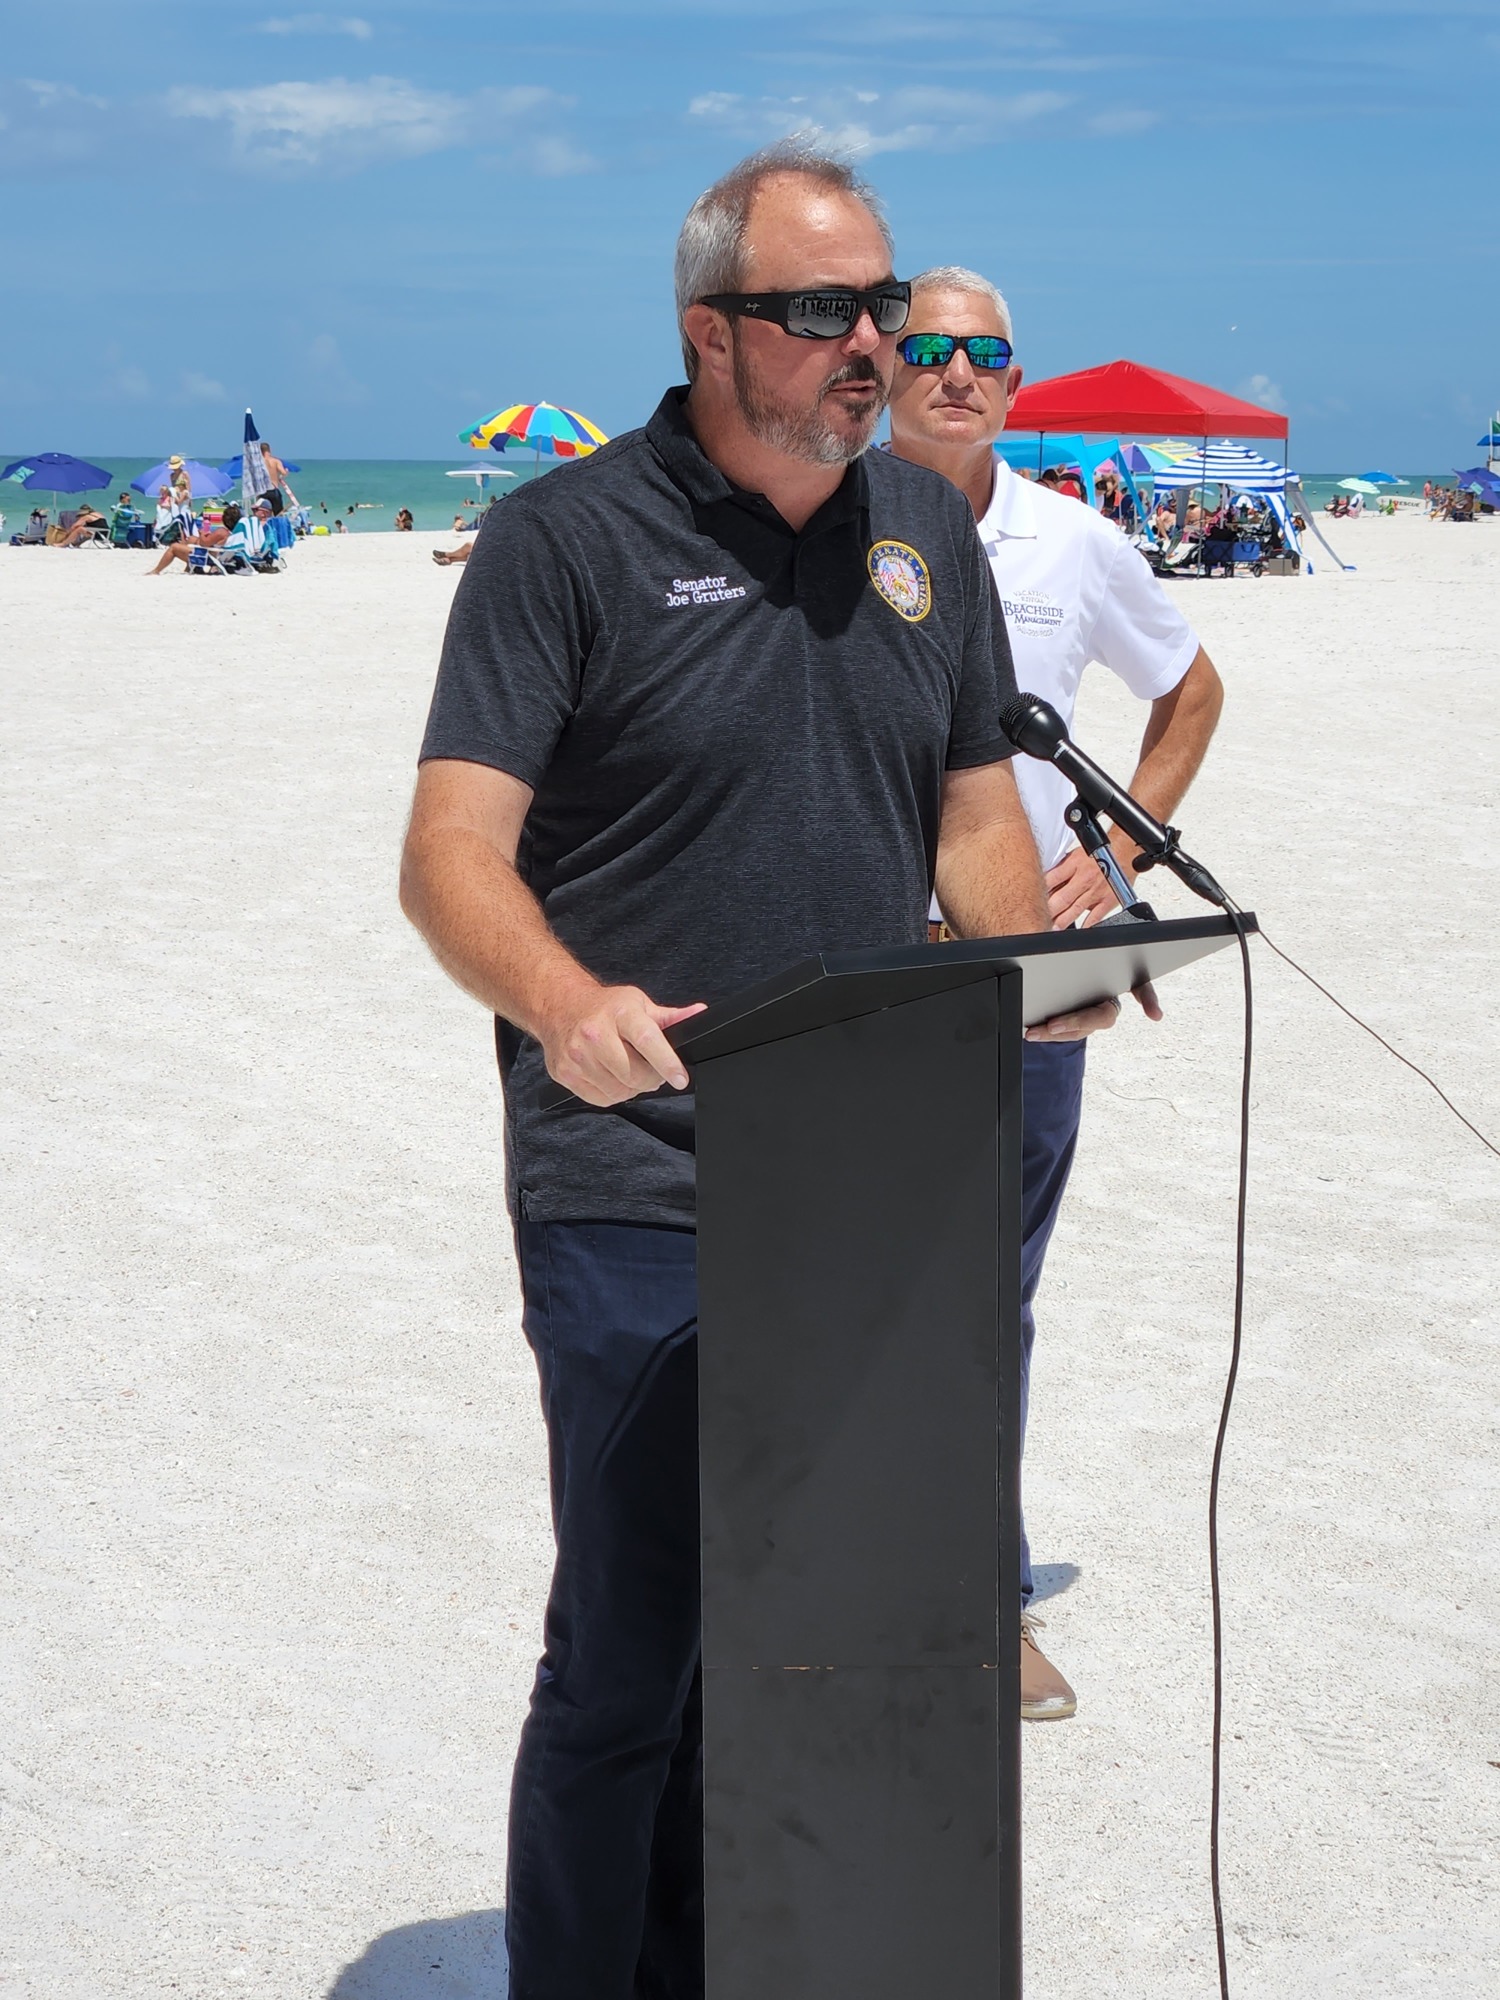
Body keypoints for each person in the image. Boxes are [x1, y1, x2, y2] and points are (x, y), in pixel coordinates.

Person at [400, 142, 1126, 2000]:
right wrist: (564, 1003)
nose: (873, 342)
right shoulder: (566, 543)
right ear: (711, 332)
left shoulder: (924, 536)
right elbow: (450, 858)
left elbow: (972, 817)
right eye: (826, 311)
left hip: (863, 1166)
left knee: (817, 1638)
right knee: (636, 1649)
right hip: (632, 1171)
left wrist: (1036, 963)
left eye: (882, 304)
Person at [888, 264, 1224, 1722]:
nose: (957, 372)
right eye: (931, 349)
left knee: (986, 1296)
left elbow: (1191, 690)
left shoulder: (1076, 544)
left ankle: (982, 1593)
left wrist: (1121, 840)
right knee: (823, 1274)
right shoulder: (815, 526)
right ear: (881, 367)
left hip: (1020, 972)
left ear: (1015, 386)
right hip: (841, 959)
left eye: (987, 355)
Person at [147, 502, 240, 574]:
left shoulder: (222, 531)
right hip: (216, 555)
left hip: (206, 558)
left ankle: (156, 570)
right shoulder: (233, 532)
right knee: (191, 539)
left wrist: (203, 533)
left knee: (173, 547)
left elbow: (204, 543)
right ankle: (189, 568)